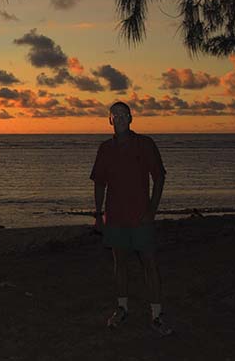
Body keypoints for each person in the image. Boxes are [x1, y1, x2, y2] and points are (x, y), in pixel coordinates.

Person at [90, 101, 173, 336]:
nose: (120, 118)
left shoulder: (145, 144)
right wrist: (99, 215)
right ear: (110, 120)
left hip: (140, 218)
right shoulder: (105, 149)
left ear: (131, 118)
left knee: (150, 264)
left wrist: (152, 210)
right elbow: (99, 183)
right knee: (120, 265)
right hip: (115, 218)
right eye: (115, 115)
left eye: (124, 114)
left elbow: (159, 177)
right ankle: (122, 309)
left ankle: (157, 315)